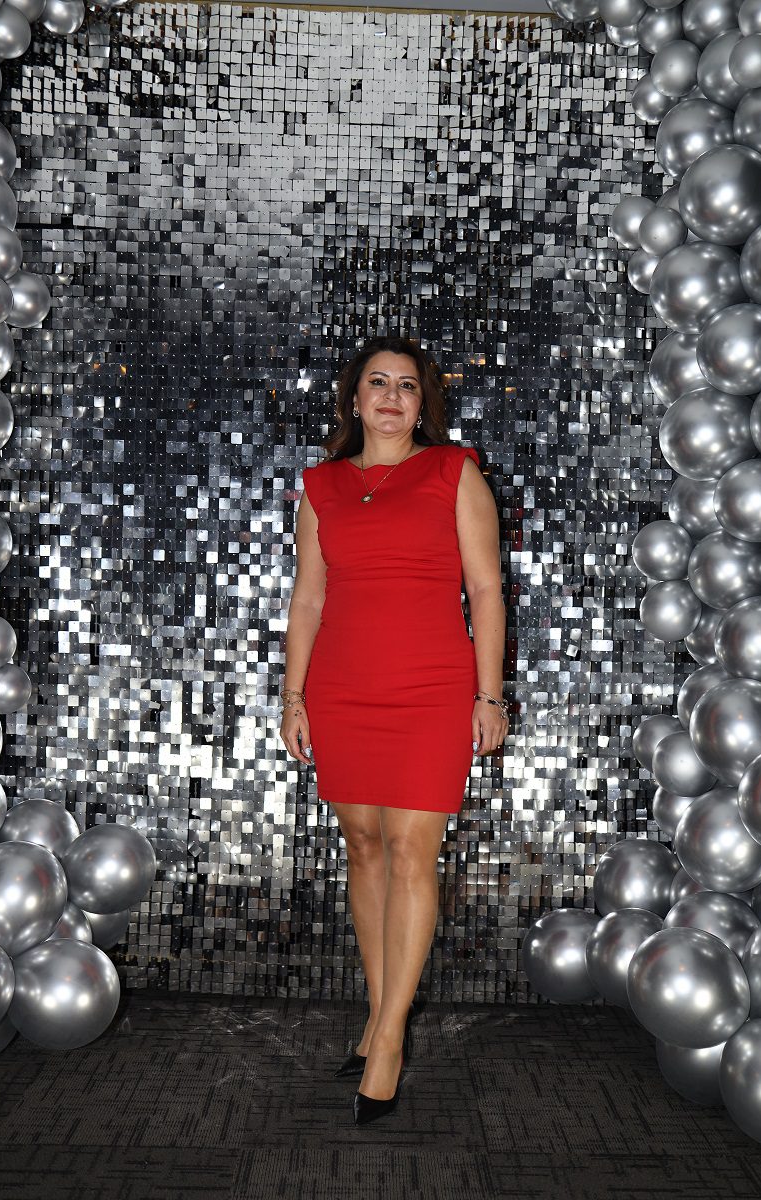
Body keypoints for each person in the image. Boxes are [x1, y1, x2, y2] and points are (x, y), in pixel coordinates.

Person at [280, 335, 508, 1125]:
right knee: (364, 846)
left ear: (422, 404)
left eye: (406, 386)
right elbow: (308, 598)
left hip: (432, 691)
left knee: (412, 848)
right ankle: (383, 1015)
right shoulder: (321, 487)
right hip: (342, 689)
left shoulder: (453, 472)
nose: (390, 396)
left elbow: (486, 589)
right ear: (354, 399)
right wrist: (293, 696)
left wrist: (489, 696)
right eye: (376, 382)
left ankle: (387, 1044)